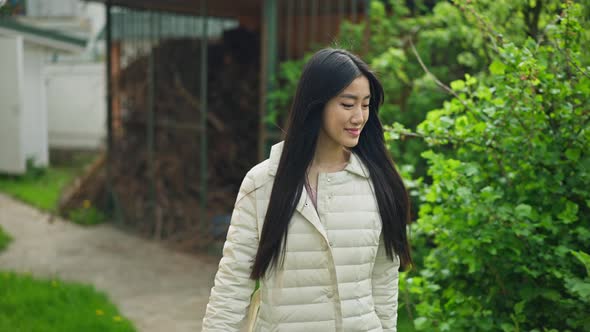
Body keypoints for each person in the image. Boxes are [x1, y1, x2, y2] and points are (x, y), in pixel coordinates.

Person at [202, 48, 412, 332]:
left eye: (366, 105)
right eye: (348, 104)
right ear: (316, 105)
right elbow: (233, 283)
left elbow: (383, 283)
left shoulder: (378, 183)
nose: (359, 117)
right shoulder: (263, 183)